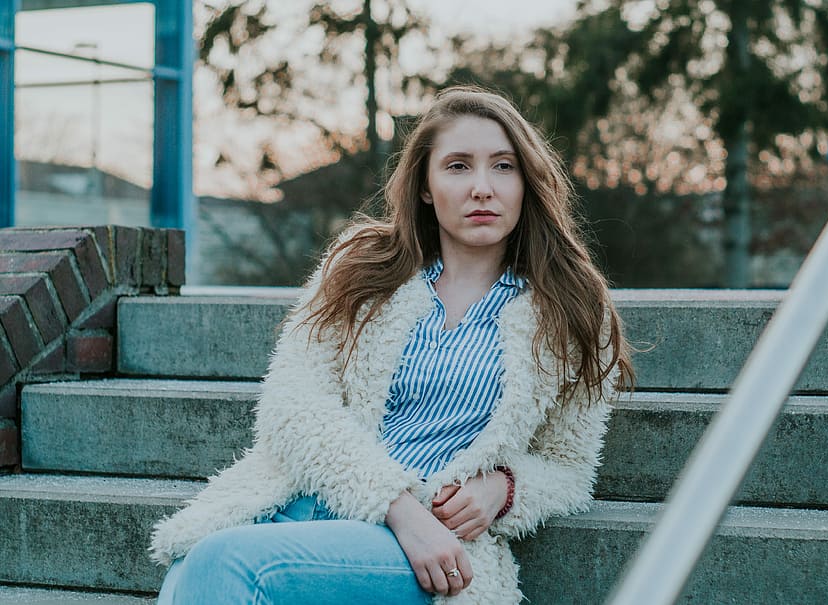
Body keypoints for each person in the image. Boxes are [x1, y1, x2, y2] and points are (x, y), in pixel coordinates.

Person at [150, 85, 633, 605]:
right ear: (425, 185)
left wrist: (504, 487)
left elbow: (569, 467)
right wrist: (394, 506)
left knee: (223, 564)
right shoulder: (362, 270)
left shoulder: (570, 309)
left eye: (503, 166)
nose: (482, 188)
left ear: (526, 183)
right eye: (457, 166)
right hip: (306, 502)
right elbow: (292, 406)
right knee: (189, 573)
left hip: (423, 546)